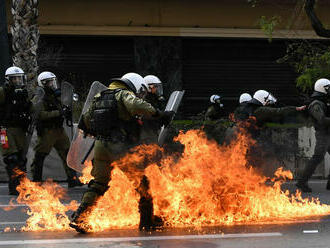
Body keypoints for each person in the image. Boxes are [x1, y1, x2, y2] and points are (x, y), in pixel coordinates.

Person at [70, 72, 174, 233]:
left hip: (100, 146)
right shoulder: (123, 94)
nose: (140, 94)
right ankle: (147, 221)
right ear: (134, 85)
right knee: (142, 183)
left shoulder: (100, 96)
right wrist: (159, 114)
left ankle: (80, 217)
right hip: (119, 147)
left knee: (98, 184)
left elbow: (85, 121)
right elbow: (138, 106)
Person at [30, 71, 82, 187]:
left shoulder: (56, 96)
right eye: (50, 82)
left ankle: (72, 179)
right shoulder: (39, 97)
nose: (53, 85)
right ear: (43, 83)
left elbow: (65, 107)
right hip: (47, 131)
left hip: (59, 130)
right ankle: (36, 180)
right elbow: (39, 114)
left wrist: (67, 109)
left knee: (67, 154)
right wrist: (58, 112)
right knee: (40, 155)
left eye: (53, 82)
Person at [0, 66, 32, 195]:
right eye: (14, 79)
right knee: (11, 158)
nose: (18, 81)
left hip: (19, 129)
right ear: (9, 80)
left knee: (21, 158)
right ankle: (14, 188)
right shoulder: (3, 92)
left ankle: (22, 186)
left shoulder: (23, 93)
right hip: (6, 129)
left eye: (19, 78)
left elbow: (29, 109)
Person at [296, 78, 330, 193]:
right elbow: (321, 120)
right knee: (317, 158)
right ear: (323, 88)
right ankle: (301, 182)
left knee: (317, 157)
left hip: (327, 133)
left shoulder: (322, 101)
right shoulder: (316, 103)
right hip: (323, 134)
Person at [140, 75, 166, 144]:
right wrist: (161, 115)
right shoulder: (144, 99)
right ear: (149, 87)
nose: (157, 89)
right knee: (151, 146)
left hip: (154, 128)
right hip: (147, 130)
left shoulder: (155, 98)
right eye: (156, 86)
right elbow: (148, 115)